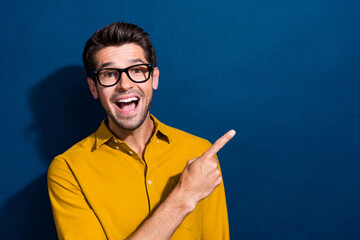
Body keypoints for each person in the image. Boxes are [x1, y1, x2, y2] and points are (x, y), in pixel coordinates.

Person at [48, 22, 235, 240]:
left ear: (154, 78)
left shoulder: (200, 154)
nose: (125, 85)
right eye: (109, 74)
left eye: (137, 70)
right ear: (93, 87)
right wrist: (184, 196)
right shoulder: (68, 170)